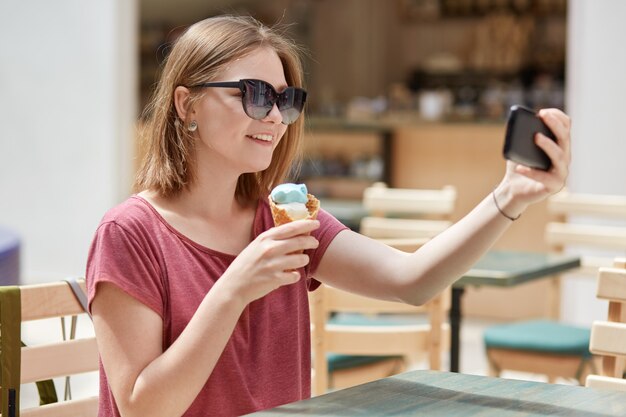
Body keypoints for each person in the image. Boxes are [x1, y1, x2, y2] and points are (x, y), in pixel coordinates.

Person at [86, 15, 571, 417]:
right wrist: (233, 289)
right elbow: (142, 408)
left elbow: (412, 280)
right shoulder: (129, 234)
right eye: (254, 94)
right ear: (186, 103)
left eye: (285, 99)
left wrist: (509, 197)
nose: (275, 116)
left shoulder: (284, 220)